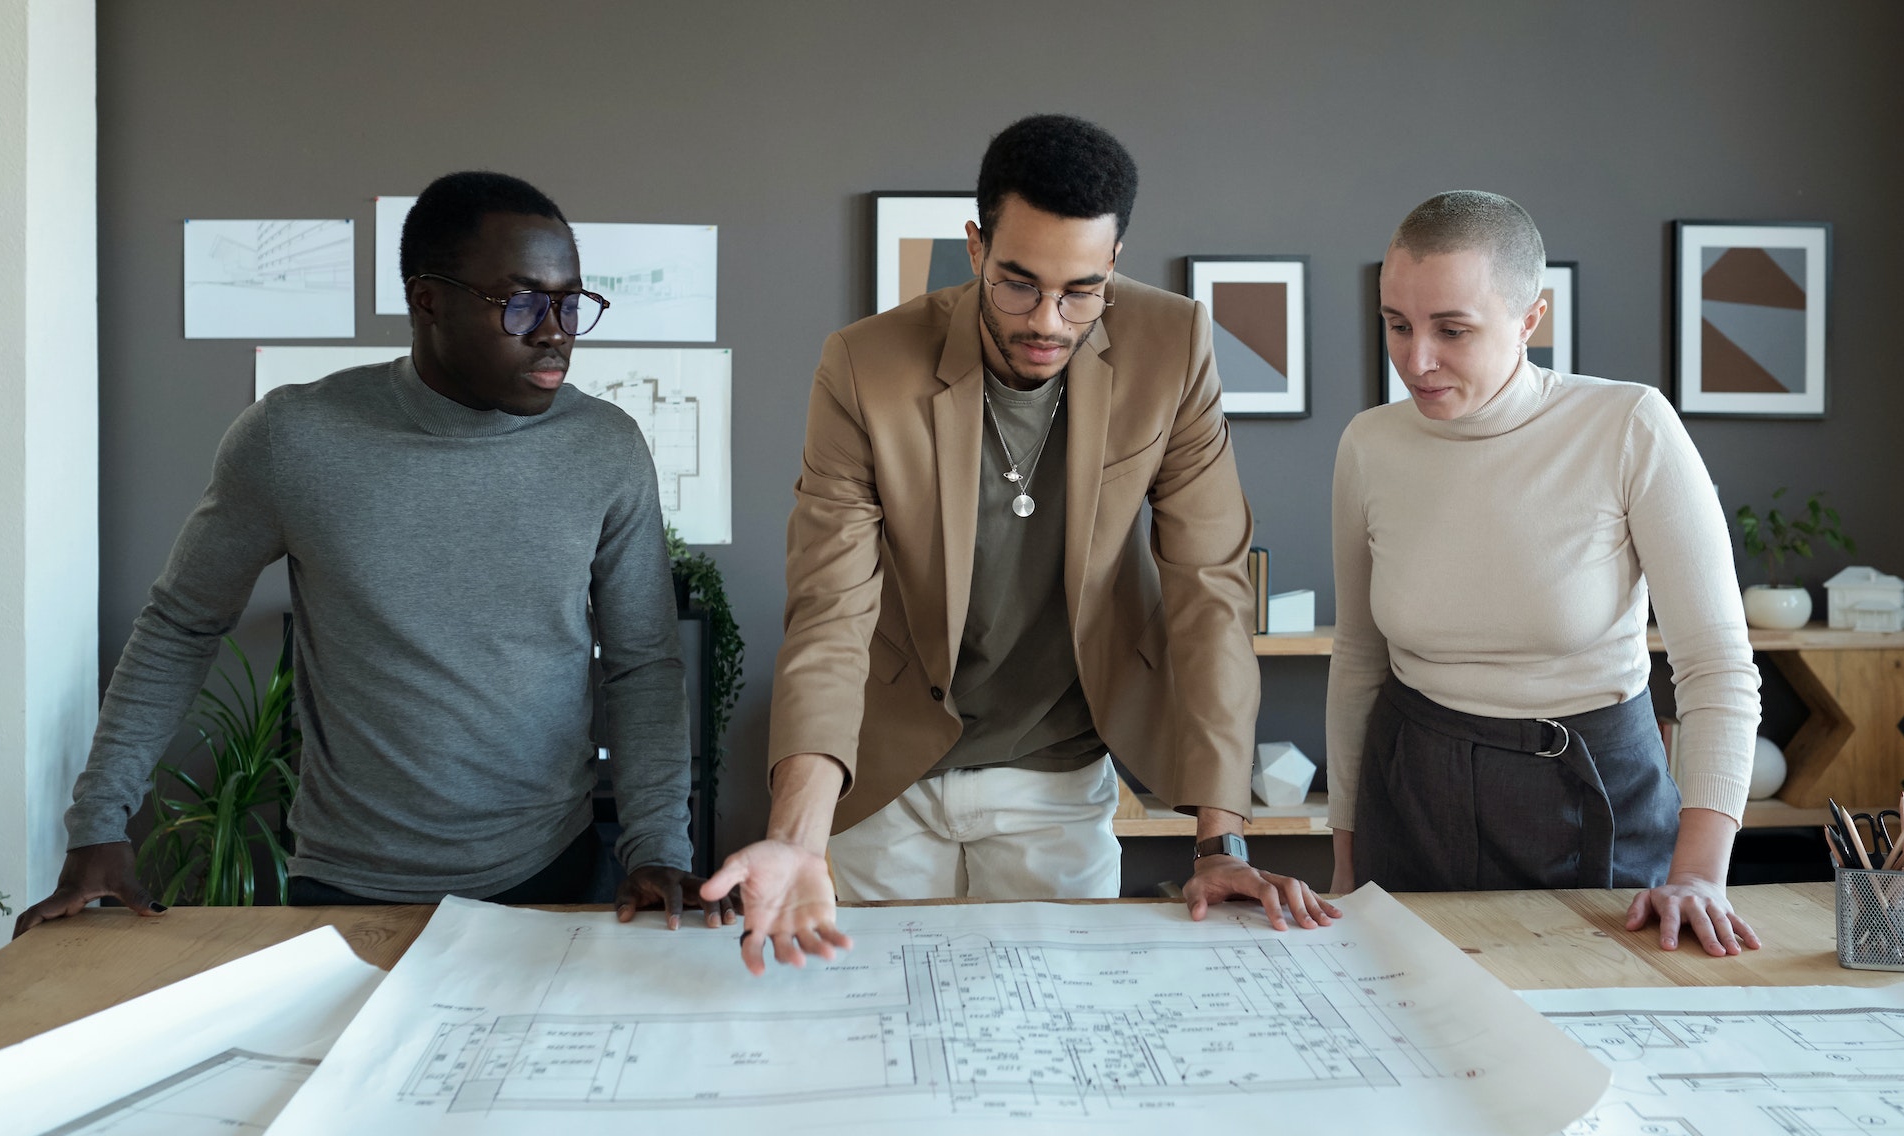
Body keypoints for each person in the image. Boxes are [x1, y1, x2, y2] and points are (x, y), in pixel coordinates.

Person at [701, 114, 1338, 977]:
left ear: (1115, 260)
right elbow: (830, 613)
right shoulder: (863, 366)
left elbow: (1208, 591)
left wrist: (1217, 840)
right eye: (1017, 283)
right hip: (888, 777)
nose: (1048, 319)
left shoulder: (1173, 347)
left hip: (1059, 780)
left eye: (1081, 289)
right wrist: (795, 836)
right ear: (974, 247)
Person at [17, 171, 723, 933]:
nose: (554, 329)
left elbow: (643, 662)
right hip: (347, 887)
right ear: (427, 299)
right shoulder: (294, 438)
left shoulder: (604, 447)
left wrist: (655, 844)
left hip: (552, 872)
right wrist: (100, 821)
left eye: (569, 302)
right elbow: (179, 626)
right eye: (521, 301)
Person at [1328, 190, 1764, 955]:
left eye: (1451, 329)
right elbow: (1358, 658)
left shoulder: (1630, 427)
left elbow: (1718, 664)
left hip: (1590, 787)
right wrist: (1345, 858)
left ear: (1531, 318)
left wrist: (1700, 873)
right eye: (1397, 324)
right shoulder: (1369, 444)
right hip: (1411, 788)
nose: (1415, 359)